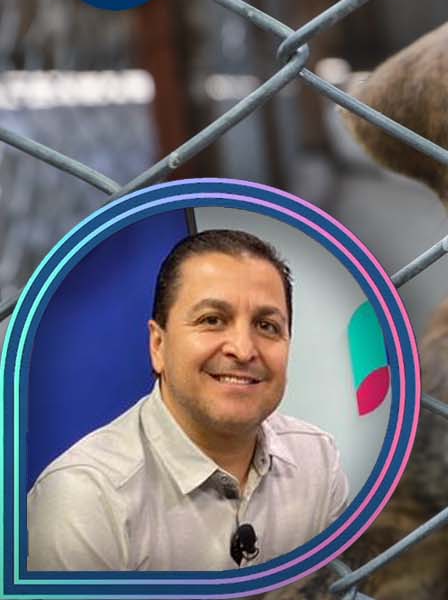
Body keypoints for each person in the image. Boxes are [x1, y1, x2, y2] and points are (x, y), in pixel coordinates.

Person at [27, 229, 351, 571]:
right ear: (158, 345)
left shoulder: (319, 461)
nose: (243, 350)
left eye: (267, 326)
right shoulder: (85, 497)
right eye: (212, 320)